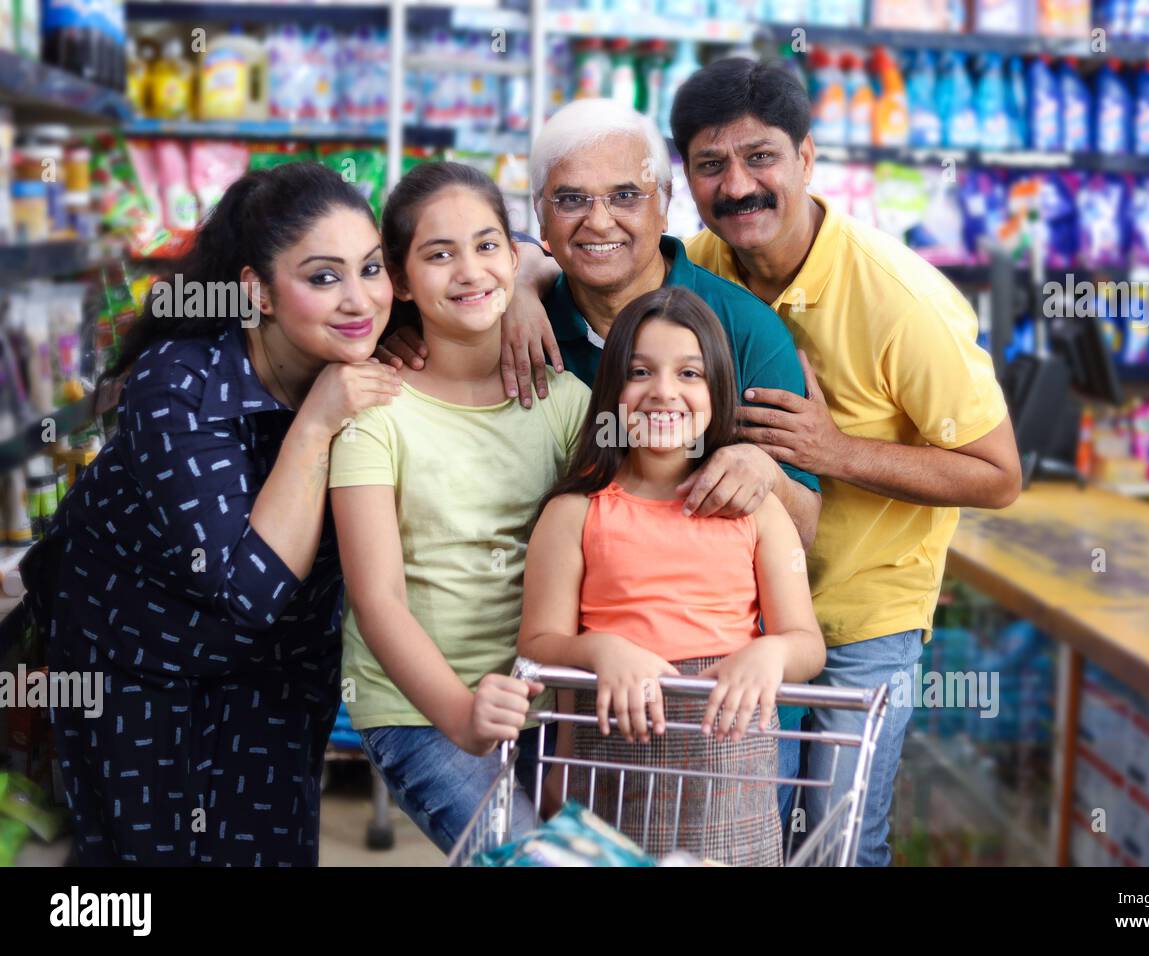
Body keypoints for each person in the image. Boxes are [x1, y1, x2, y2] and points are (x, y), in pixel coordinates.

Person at [668, 58, 1023, 866]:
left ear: (806, 157)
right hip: (745, 613)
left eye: (761, 156)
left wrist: (834, 451)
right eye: (711, 164)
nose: (739, 185)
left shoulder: (901, 299)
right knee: (748, 841)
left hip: (861, 621)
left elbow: (999, 474)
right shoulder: (702, 266)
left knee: (834, 844)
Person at [24, 161, 402, 865]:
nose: (360, 300)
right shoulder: (179, 382)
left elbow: (478, 262)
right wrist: (316, 424)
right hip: (137, 664)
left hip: (281, 668)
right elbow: (247, 588)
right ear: (255, 292)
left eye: (372, 268)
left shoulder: (371, 344)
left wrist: (530, 282)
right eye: (323, 277)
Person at [378, 99, 821, 550]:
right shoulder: (504, 319)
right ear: (540, 212)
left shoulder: (745, 330)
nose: (599, 221)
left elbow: (803, 533)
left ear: (665, 206)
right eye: (572, 199)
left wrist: (765, 475)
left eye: (625, 196)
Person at [328, 162, 591, 853]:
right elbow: (377, 598)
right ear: (403, 281)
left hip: (545, 698)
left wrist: (566, 715)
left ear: (514, 255)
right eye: (438, 254)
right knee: (533, 860)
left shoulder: (564, 405)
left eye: (486, 245)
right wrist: (463, 715)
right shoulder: (376, 411)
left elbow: (602, 564)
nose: (470, 271)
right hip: (416, 706)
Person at [517, 286, 823, 865]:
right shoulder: (575, 512)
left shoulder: (757, 512)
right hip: (607, 767)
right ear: (612, 390)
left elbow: (807, 645)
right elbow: (535, 647)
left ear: (718, 392)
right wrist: (601, 649)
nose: (664, 391)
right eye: (640, 371)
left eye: (689, 372)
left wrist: (771, 655)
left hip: (729, 778)